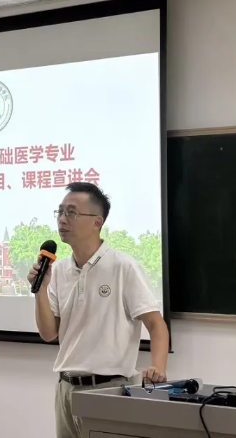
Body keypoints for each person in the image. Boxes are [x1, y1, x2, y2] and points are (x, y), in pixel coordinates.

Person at [27, 182, 169, 438]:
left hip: (109, 389)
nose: (62, 219)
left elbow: (156, 324)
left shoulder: (122, 266)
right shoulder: (59, 270)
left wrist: (158, 369)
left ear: (97, 222)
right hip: (66, 388)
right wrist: (41, 289)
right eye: (60, 212)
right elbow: (48, 333)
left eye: (72, 212)